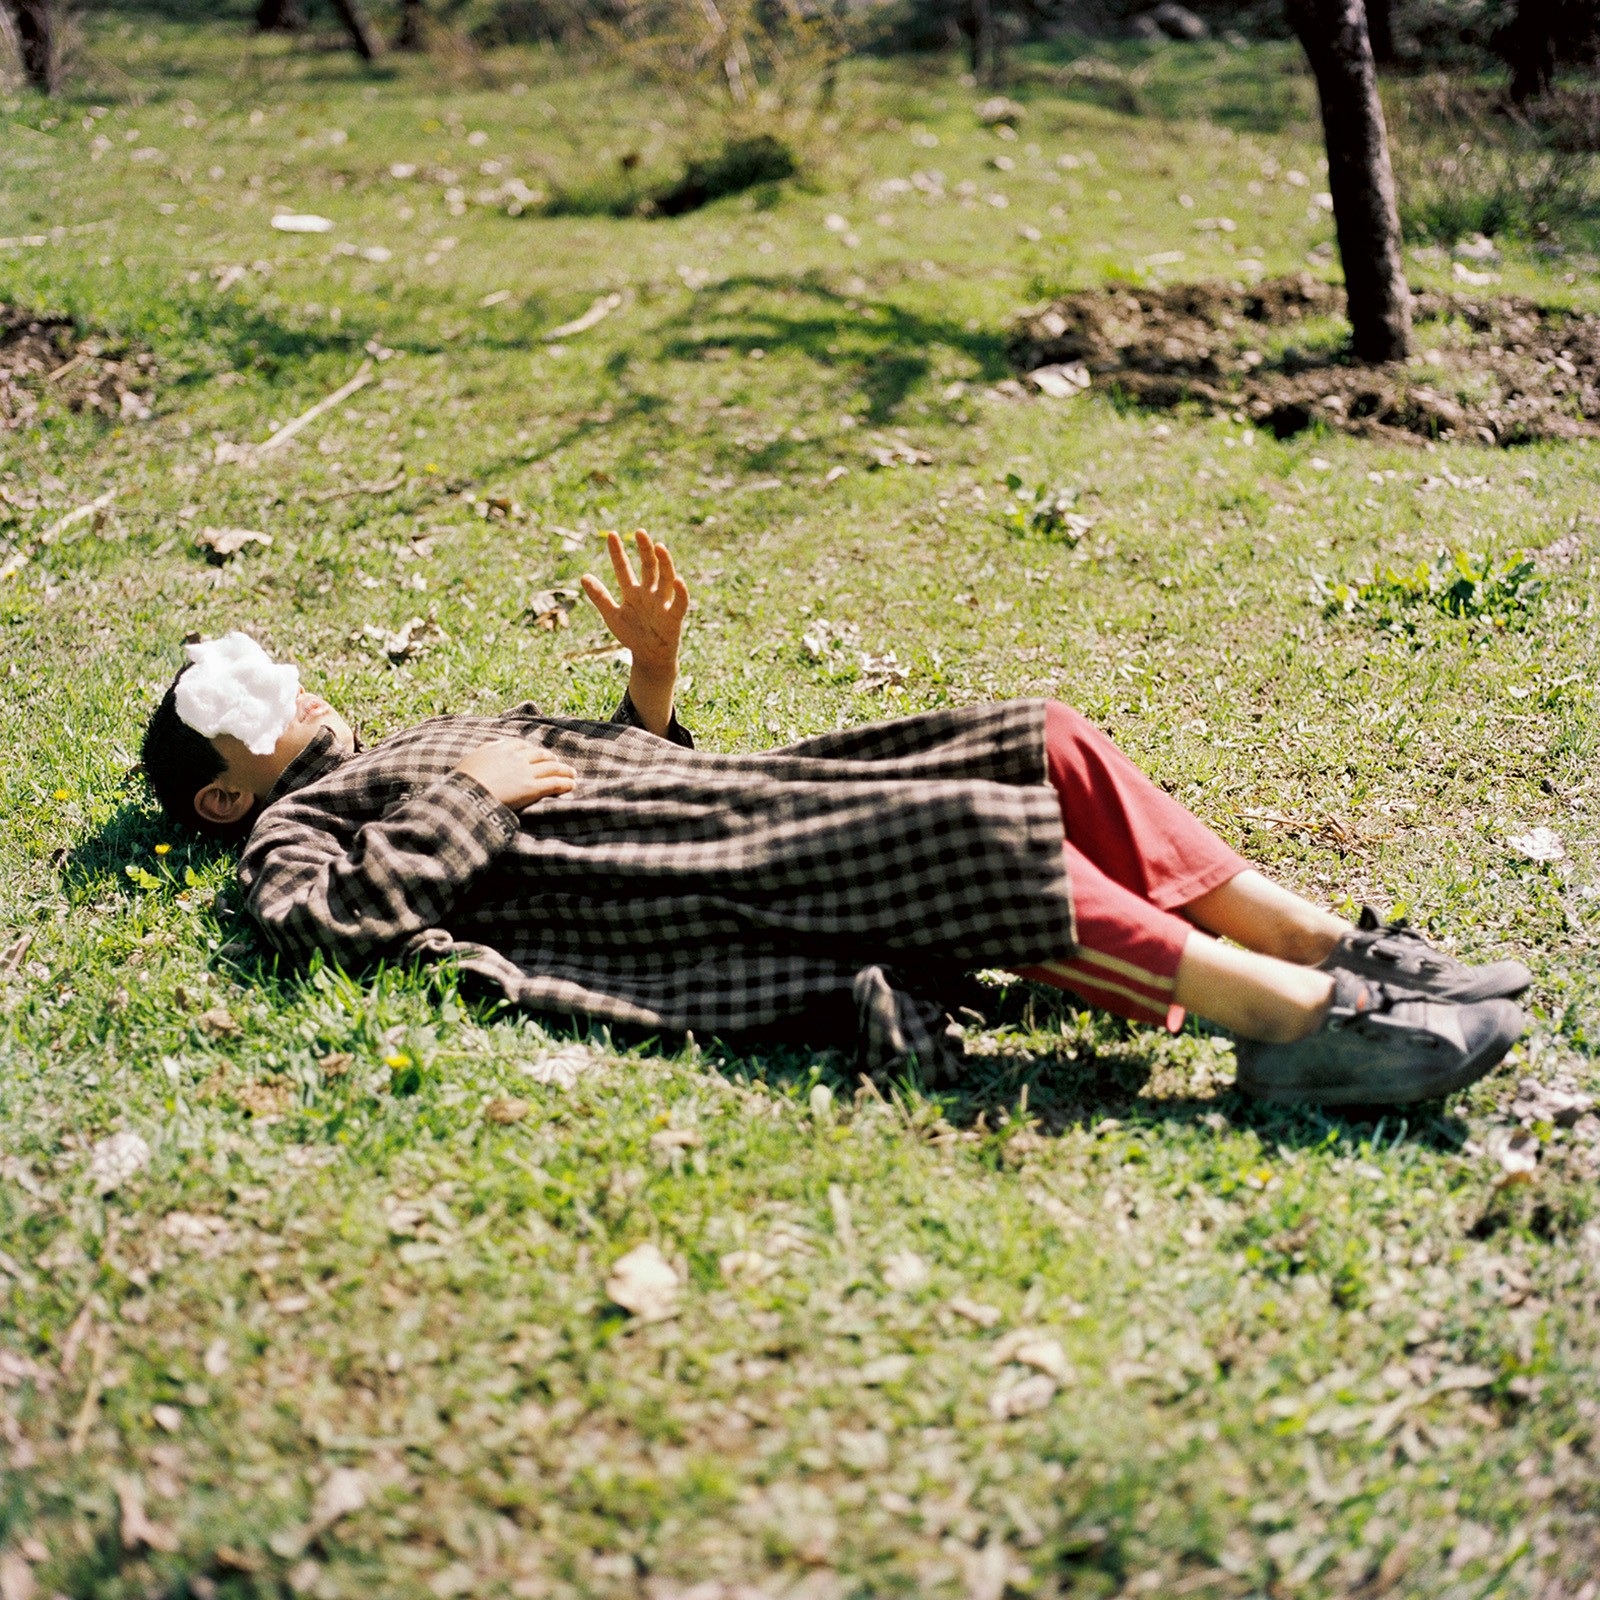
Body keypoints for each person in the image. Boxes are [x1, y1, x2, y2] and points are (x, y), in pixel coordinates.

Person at [139, 531, 1531, 1104]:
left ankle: (1335, 943)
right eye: (247, 707)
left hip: (733, 792)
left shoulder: (422, 732)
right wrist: (465, 793)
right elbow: (321, 931)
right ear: (225, 791)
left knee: (1033, 743)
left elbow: (614, 767)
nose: (290, 690)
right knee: (963, 846)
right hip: (688, 880)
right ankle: (1296, 1030)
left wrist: (650, 685)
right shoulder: (288, 830)